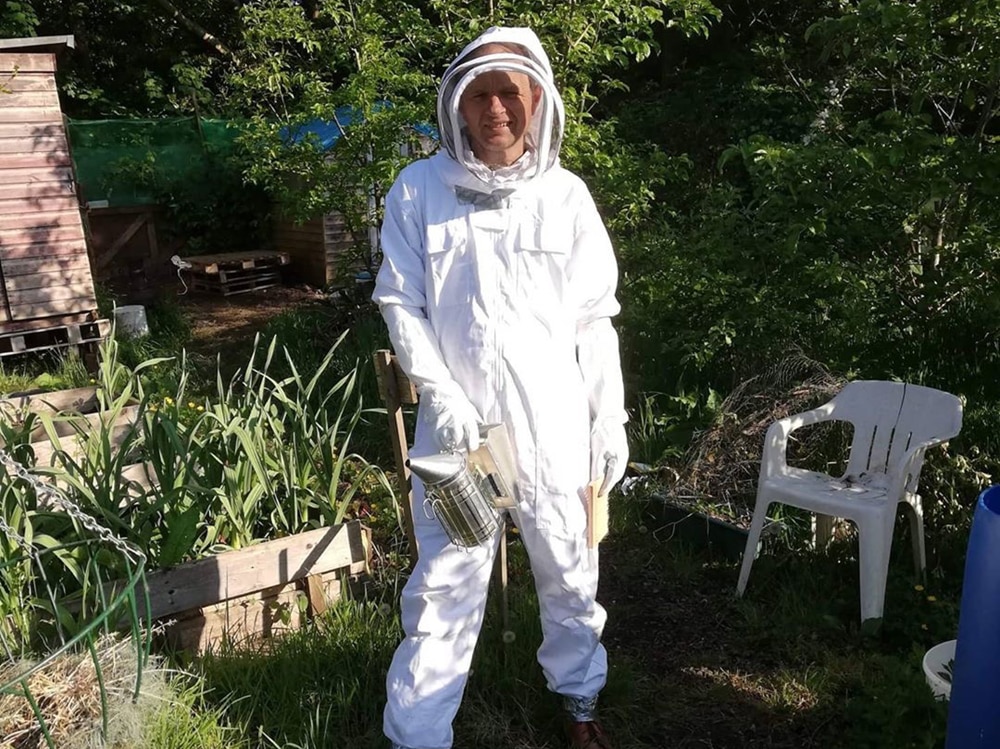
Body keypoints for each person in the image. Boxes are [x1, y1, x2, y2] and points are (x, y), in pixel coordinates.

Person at [371, 25, 628, 749]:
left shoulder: (567, 196)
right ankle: (417, 736)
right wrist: (440, 392)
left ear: (536, 100)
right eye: (479, 95)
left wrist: (609, 417)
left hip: (555, 428)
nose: (495, 110)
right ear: (457, 103)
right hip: (459, 435)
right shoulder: (419, 189)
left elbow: (595, 319)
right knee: (445, 587)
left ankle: (580, 707)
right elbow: (401, 302)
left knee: (571, 569)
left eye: (508, 94)